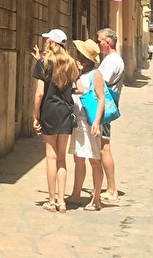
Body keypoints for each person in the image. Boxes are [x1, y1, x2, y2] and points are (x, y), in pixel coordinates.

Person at [32, 28, 79, 213]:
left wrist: (35, 115)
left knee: (50, 157)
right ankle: (62, 201)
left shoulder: (42, 64)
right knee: (61, 158)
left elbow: (40, 93)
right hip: (65, 112)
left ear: (51, 42)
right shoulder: (71, 63)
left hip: (49, 111)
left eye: (47, 40)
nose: (45, 42)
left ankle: (51, 201)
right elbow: (79, 87)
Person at [66, 39, 105, 211]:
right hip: (79, 122)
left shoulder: (95, 74)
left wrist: (96, 121)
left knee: (94, 160)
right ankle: (76, 194)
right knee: (78, 158)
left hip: (90, 122)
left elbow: (101, 98)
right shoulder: (79, 74)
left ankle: (96, 199)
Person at [96, 27, 125, 204]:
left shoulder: (112, 61)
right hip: (105, 106)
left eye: (100, 41)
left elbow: (101, 82)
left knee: (104, 147)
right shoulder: (111, 59)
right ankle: (107, 187)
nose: (98, 44)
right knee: (102, 146)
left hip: (104, 108)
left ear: (107, 42)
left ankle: (111, 189)